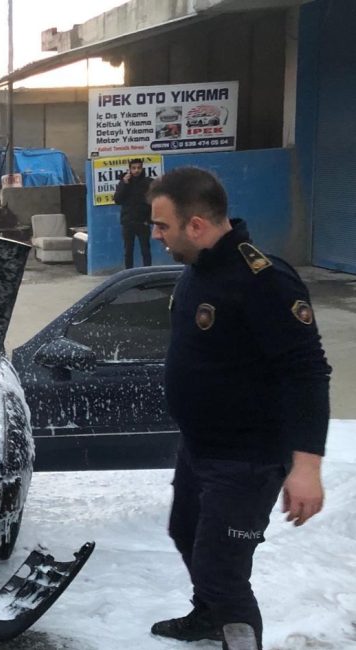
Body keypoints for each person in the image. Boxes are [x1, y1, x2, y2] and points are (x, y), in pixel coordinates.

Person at [148, 167, 331, 650]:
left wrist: (306, 466)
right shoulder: (200, 270)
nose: (155, 234)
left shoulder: (265, 281)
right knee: (185, 532)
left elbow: (308, 371)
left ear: (196, 225)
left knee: (223, 572)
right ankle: (208, 619)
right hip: (202, 449)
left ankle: (238, 638)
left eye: (162, 225)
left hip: (246, 458)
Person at [113, 158, 154, 268]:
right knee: (128, 251)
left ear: (142, 169)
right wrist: (125, 184)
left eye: (139, 168)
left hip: (143, 222)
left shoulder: (148, 182)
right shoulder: (124, 182)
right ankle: (128, 273)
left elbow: (153, 202)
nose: (136, 170)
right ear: (129, 169)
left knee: (146, 251)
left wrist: (149, 220)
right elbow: (117, 200)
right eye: (134, 168)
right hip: (128, 222)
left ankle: (148, 273)